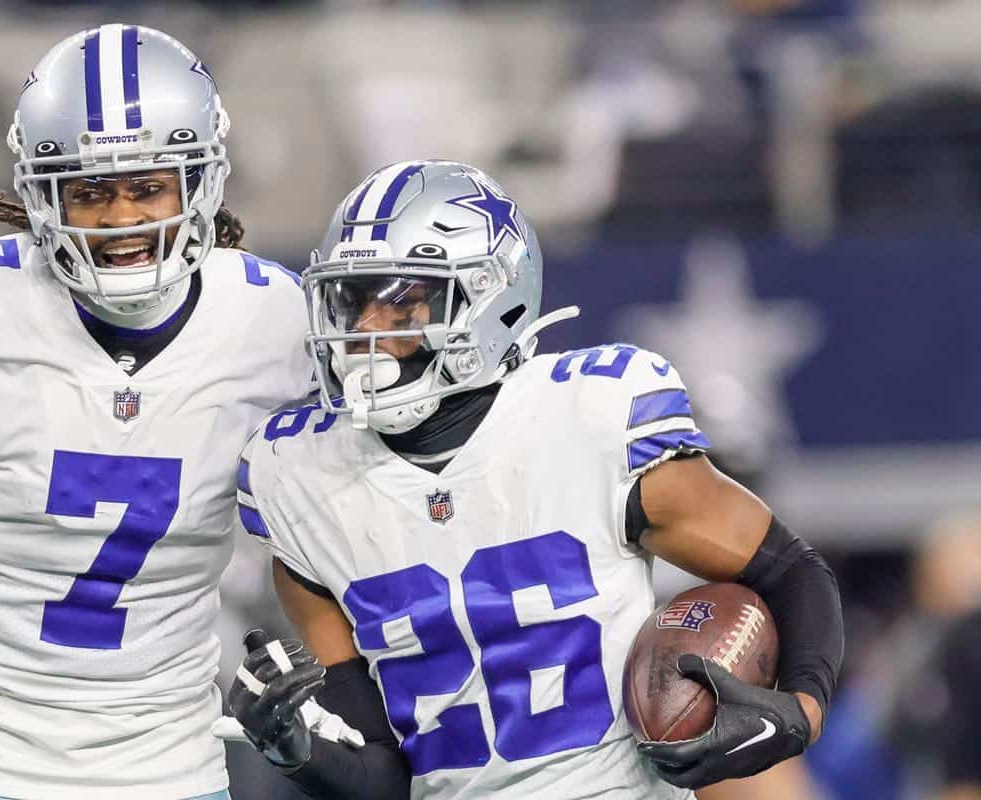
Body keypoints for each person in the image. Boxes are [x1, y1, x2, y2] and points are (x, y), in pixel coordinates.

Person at [219, 160, 844, 798]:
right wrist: (297, 752)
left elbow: (791, 571)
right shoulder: (297, 479)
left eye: (403, 299)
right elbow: (383, 776)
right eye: (354, 301)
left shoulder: (590, 418)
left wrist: (800, 712)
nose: (368, 329)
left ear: (492, 299)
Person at [0, 24, 312, 800]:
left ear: (201, 181)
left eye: (147, 186)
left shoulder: (275, 325)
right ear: (41, 194)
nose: (119, 219)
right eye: (91, 190)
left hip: (172, 768)